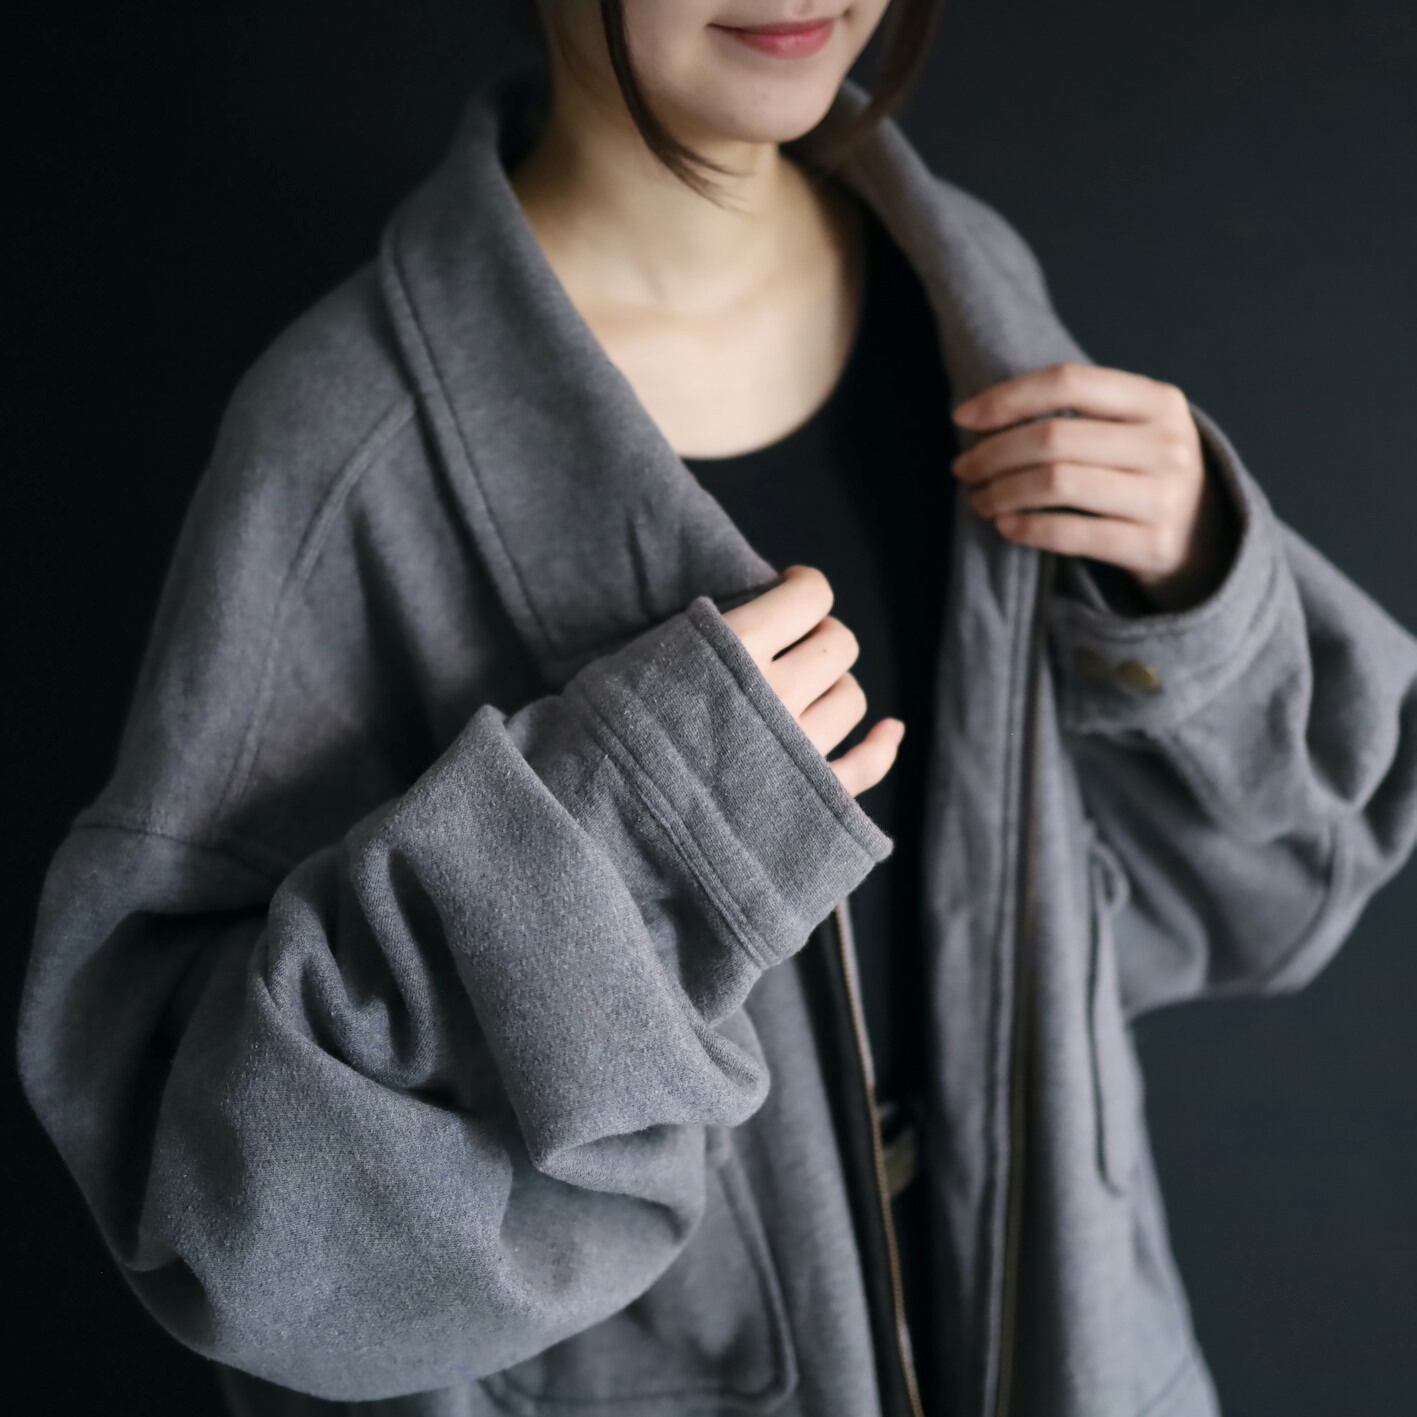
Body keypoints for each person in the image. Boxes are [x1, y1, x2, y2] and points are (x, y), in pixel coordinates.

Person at [17, 4, 1417, 1416]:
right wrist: (635, 837)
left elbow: (1246, 896)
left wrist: (1197, 601)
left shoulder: (963, 288)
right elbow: (229, 1225)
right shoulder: (343, 446)